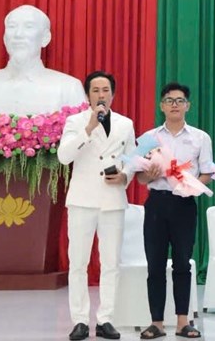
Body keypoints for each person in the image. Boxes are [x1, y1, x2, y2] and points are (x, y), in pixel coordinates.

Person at [58, 71, 137, 341]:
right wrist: (88, 128)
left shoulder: (126, 124)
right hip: (82, 199)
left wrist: (125, 175)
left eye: (105, 90)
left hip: (112, 199)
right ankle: (80, 320)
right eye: (95, 90)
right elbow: (64, 156)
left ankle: (106, 319)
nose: (101, 95)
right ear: (87, 94)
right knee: (78, 262)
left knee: (111, 263)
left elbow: (132, 158)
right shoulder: (75, 121)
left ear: (113, 94)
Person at [136, 83, 213, 339]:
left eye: (180, 101)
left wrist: (192, 187)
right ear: (162, 105)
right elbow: (141, 180)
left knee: (183, 263)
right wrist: (149, 173)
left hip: (184, 204)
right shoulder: (149, 138)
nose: (175, 105)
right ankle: (156, 322)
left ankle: (183, 322)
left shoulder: (200, 137)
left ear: (187, 106)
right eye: (169, 100)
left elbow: (206, 173)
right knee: (155, 264)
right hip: (157, 203)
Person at [0, 4, 85, 115]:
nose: (18, 35)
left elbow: (86, 138)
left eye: (28, 27)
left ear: (45, 38)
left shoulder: (69, 88)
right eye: (12, 27)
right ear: (4, 38)